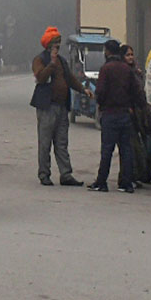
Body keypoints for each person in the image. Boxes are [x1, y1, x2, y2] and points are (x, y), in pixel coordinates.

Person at [31, 27, 87, 186]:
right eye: (55, 44)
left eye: (58, 44)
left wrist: (83, 90)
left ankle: (66, 174)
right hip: (47, 107)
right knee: (45, 142)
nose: (57, 46)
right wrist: (51, 63)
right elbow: (41, 77)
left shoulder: (62, 61)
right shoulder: (40, 60)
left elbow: (70, 79)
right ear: (48, 45)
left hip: (62, 107)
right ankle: (44, 174)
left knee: (62, 142)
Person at [89, 38, 140, 193]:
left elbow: (101, 91)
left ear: (108, 52)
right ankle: (126, 183)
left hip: (110, 114)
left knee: (107, 150)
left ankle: (101, 182)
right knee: (126, 150)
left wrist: (101, 103)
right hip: (125, 114)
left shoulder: (106, 69)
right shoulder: (126, 69)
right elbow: (136, 91)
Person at [123, 44, 151, 187]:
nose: (130, 57)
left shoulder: (136, 71)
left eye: (131, 54)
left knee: (138, 146)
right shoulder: (124, 72)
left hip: (139, 113)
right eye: (127, 55)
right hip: (129, 114)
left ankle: (134, 176)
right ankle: (129, 177)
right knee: (131, 147)